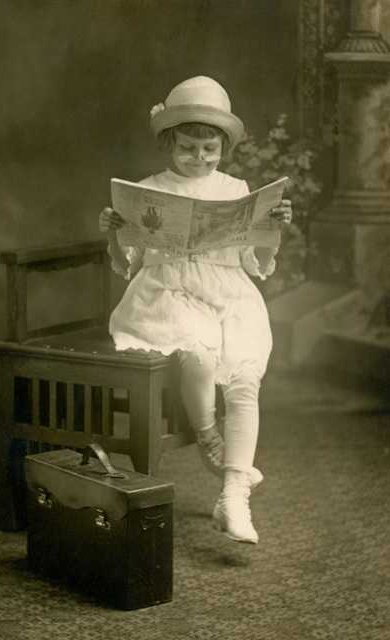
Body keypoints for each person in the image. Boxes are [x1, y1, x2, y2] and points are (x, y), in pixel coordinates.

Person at [99, 76, 292, 544]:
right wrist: (112, 230)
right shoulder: (150, 189)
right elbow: (130, 263)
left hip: (228, 292)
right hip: (168, 291)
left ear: (222, 148)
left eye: (209, 150)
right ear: (169, 142)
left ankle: (233, 494)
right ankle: (209, 437)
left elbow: (255, 263)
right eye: (188, 148)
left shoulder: (235, 188)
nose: (199, 158)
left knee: (246, 378)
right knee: (200, 353)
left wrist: (273, 232)